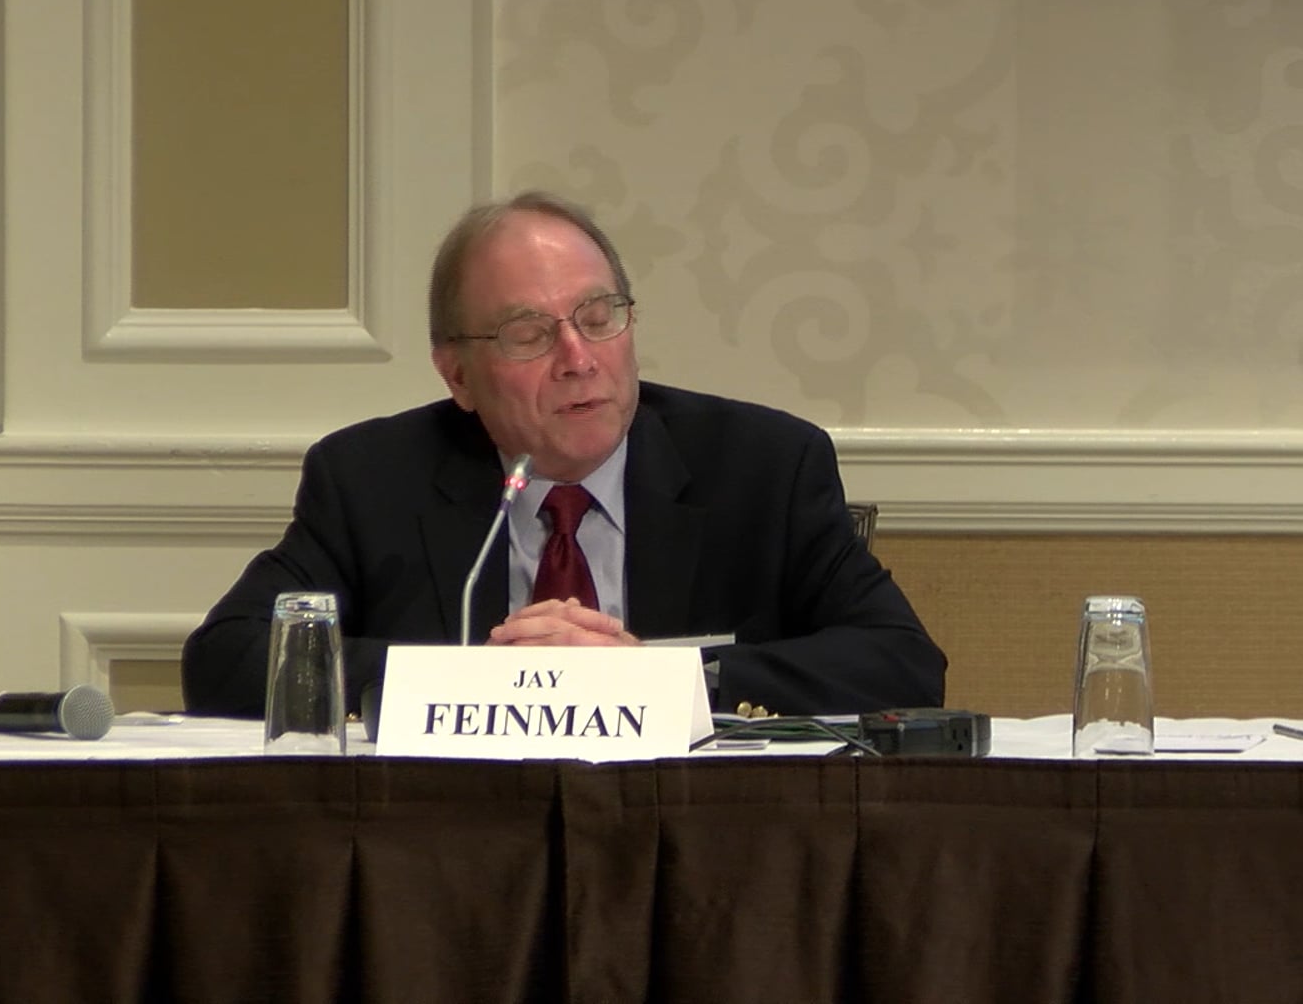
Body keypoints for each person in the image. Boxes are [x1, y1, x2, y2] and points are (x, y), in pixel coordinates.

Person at [182, 191, 945, 717]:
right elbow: (227, 660)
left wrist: (656, 680)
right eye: (529, 335)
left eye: (598, 317)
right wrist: (482, 685)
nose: (578, 359)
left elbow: (902, 663)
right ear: (458, 374)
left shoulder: (763, 466)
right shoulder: (372, 479)